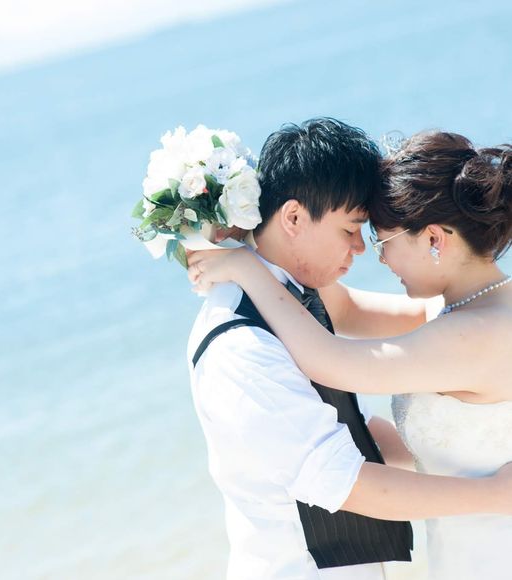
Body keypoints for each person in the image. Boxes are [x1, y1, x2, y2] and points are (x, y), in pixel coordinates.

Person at [187, 127, 512, 580]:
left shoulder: (471, 333)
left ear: (434, 239)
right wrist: (241, 242)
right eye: (353, 230)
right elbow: (344, 309)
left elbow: (332, 360)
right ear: (293, 217)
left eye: (378, 239)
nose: (369, 254)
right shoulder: (468, 310)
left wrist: (246, 265)